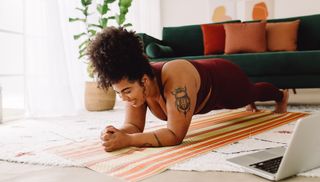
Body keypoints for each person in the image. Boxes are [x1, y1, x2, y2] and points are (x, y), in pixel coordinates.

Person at [88, 27, 289, 152]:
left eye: (127, 91)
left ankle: (281, 94)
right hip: (206, 87)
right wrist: (114, 133)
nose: (124, 98)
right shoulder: (136, 87)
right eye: (118, 93)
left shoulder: (176, 75)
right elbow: (133, 126)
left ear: (144, 80)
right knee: (249, 97)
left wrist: (129, 141)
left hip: (225, 79)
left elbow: (175, 135)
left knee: (251, 93)